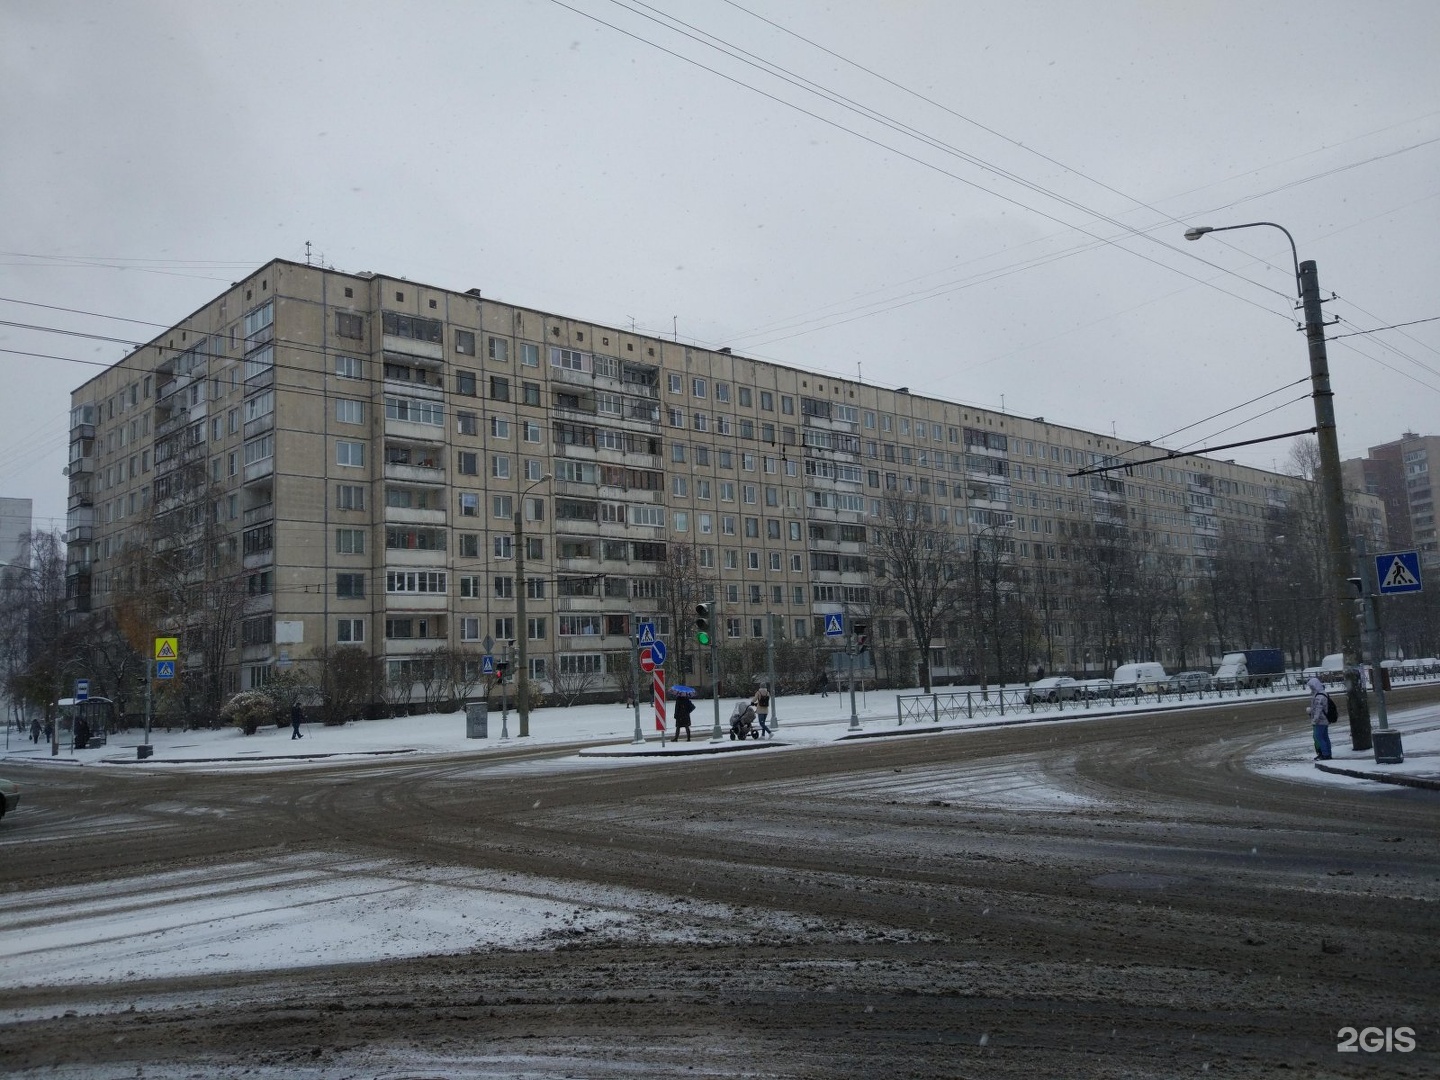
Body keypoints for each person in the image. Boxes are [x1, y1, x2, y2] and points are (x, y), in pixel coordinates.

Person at [1307, 675, 1331, 760]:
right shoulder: (1322, 694)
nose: (1311, 688)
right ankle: (1327, 753)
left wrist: (1315, 719)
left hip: (1320, 720)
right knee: (1324, 737)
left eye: (1311, 686)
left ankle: (1325, 754)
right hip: (1324, 719)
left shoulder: (1319, 696)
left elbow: (1318, 709)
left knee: (1319, 737)